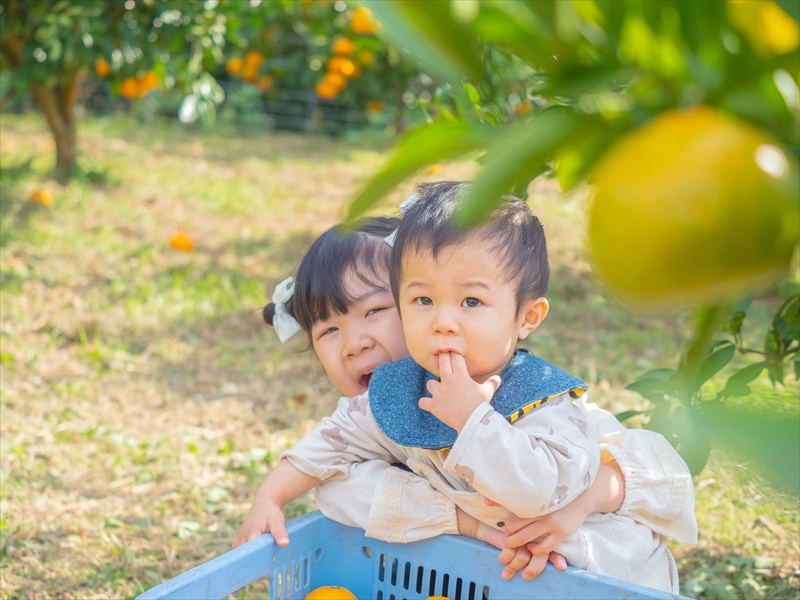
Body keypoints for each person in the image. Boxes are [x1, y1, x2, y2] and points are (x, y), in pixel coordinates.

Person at [235, 183, 697, 590]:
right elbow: (331, 446)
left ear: (526, 318)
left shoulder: (540, 397)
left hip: (603, 572)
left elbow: (539, 490)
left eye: (374, 311)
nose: (443, 321)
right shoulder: (398, 393)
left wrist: (474, 420)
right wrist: (270, 496)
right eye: (423, 300)